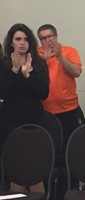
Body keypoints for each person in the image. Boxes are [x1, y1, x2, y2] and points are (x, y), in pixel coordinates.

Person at [0, 23, 49, 193]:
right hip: (10, 125)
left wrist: (28, 75)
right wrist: (14, 70)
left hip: (34, 123)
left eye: (26, 39)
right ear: (11, 43)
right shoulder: (5, 64)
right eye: (18, 39)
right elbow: (4, 93)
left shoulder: (40, 64)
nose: (22, 43)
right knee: (16, 174)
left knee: (35, 172)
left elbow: (43, 94)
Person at [37, 24, 82, 155]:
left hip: (69, 109)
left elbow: (77, 72)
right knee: (49, 148)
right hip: (46, 111)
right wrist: (44, 61)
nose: (47, 41)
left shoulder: (69, 51)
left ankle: (69, 174)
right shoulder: (37, 55)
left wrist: (60, 57)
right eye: (43, 38)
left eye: (50, 36)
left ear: (56, 36)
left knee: (71, 147)